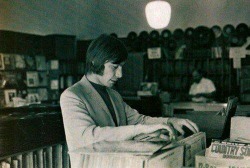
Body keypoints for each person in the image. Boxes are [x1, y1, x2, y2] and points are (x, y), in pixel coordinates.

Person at [60, 34, 199, 167]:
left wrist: (170, 121)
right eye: (114, 67)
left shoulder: (114, 95)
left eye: (121, 67)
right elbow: (89, 137)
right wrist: (140, 130)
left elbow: (139, 120)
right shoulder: (72, 96)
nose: (120, 74)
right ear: (95, 61)